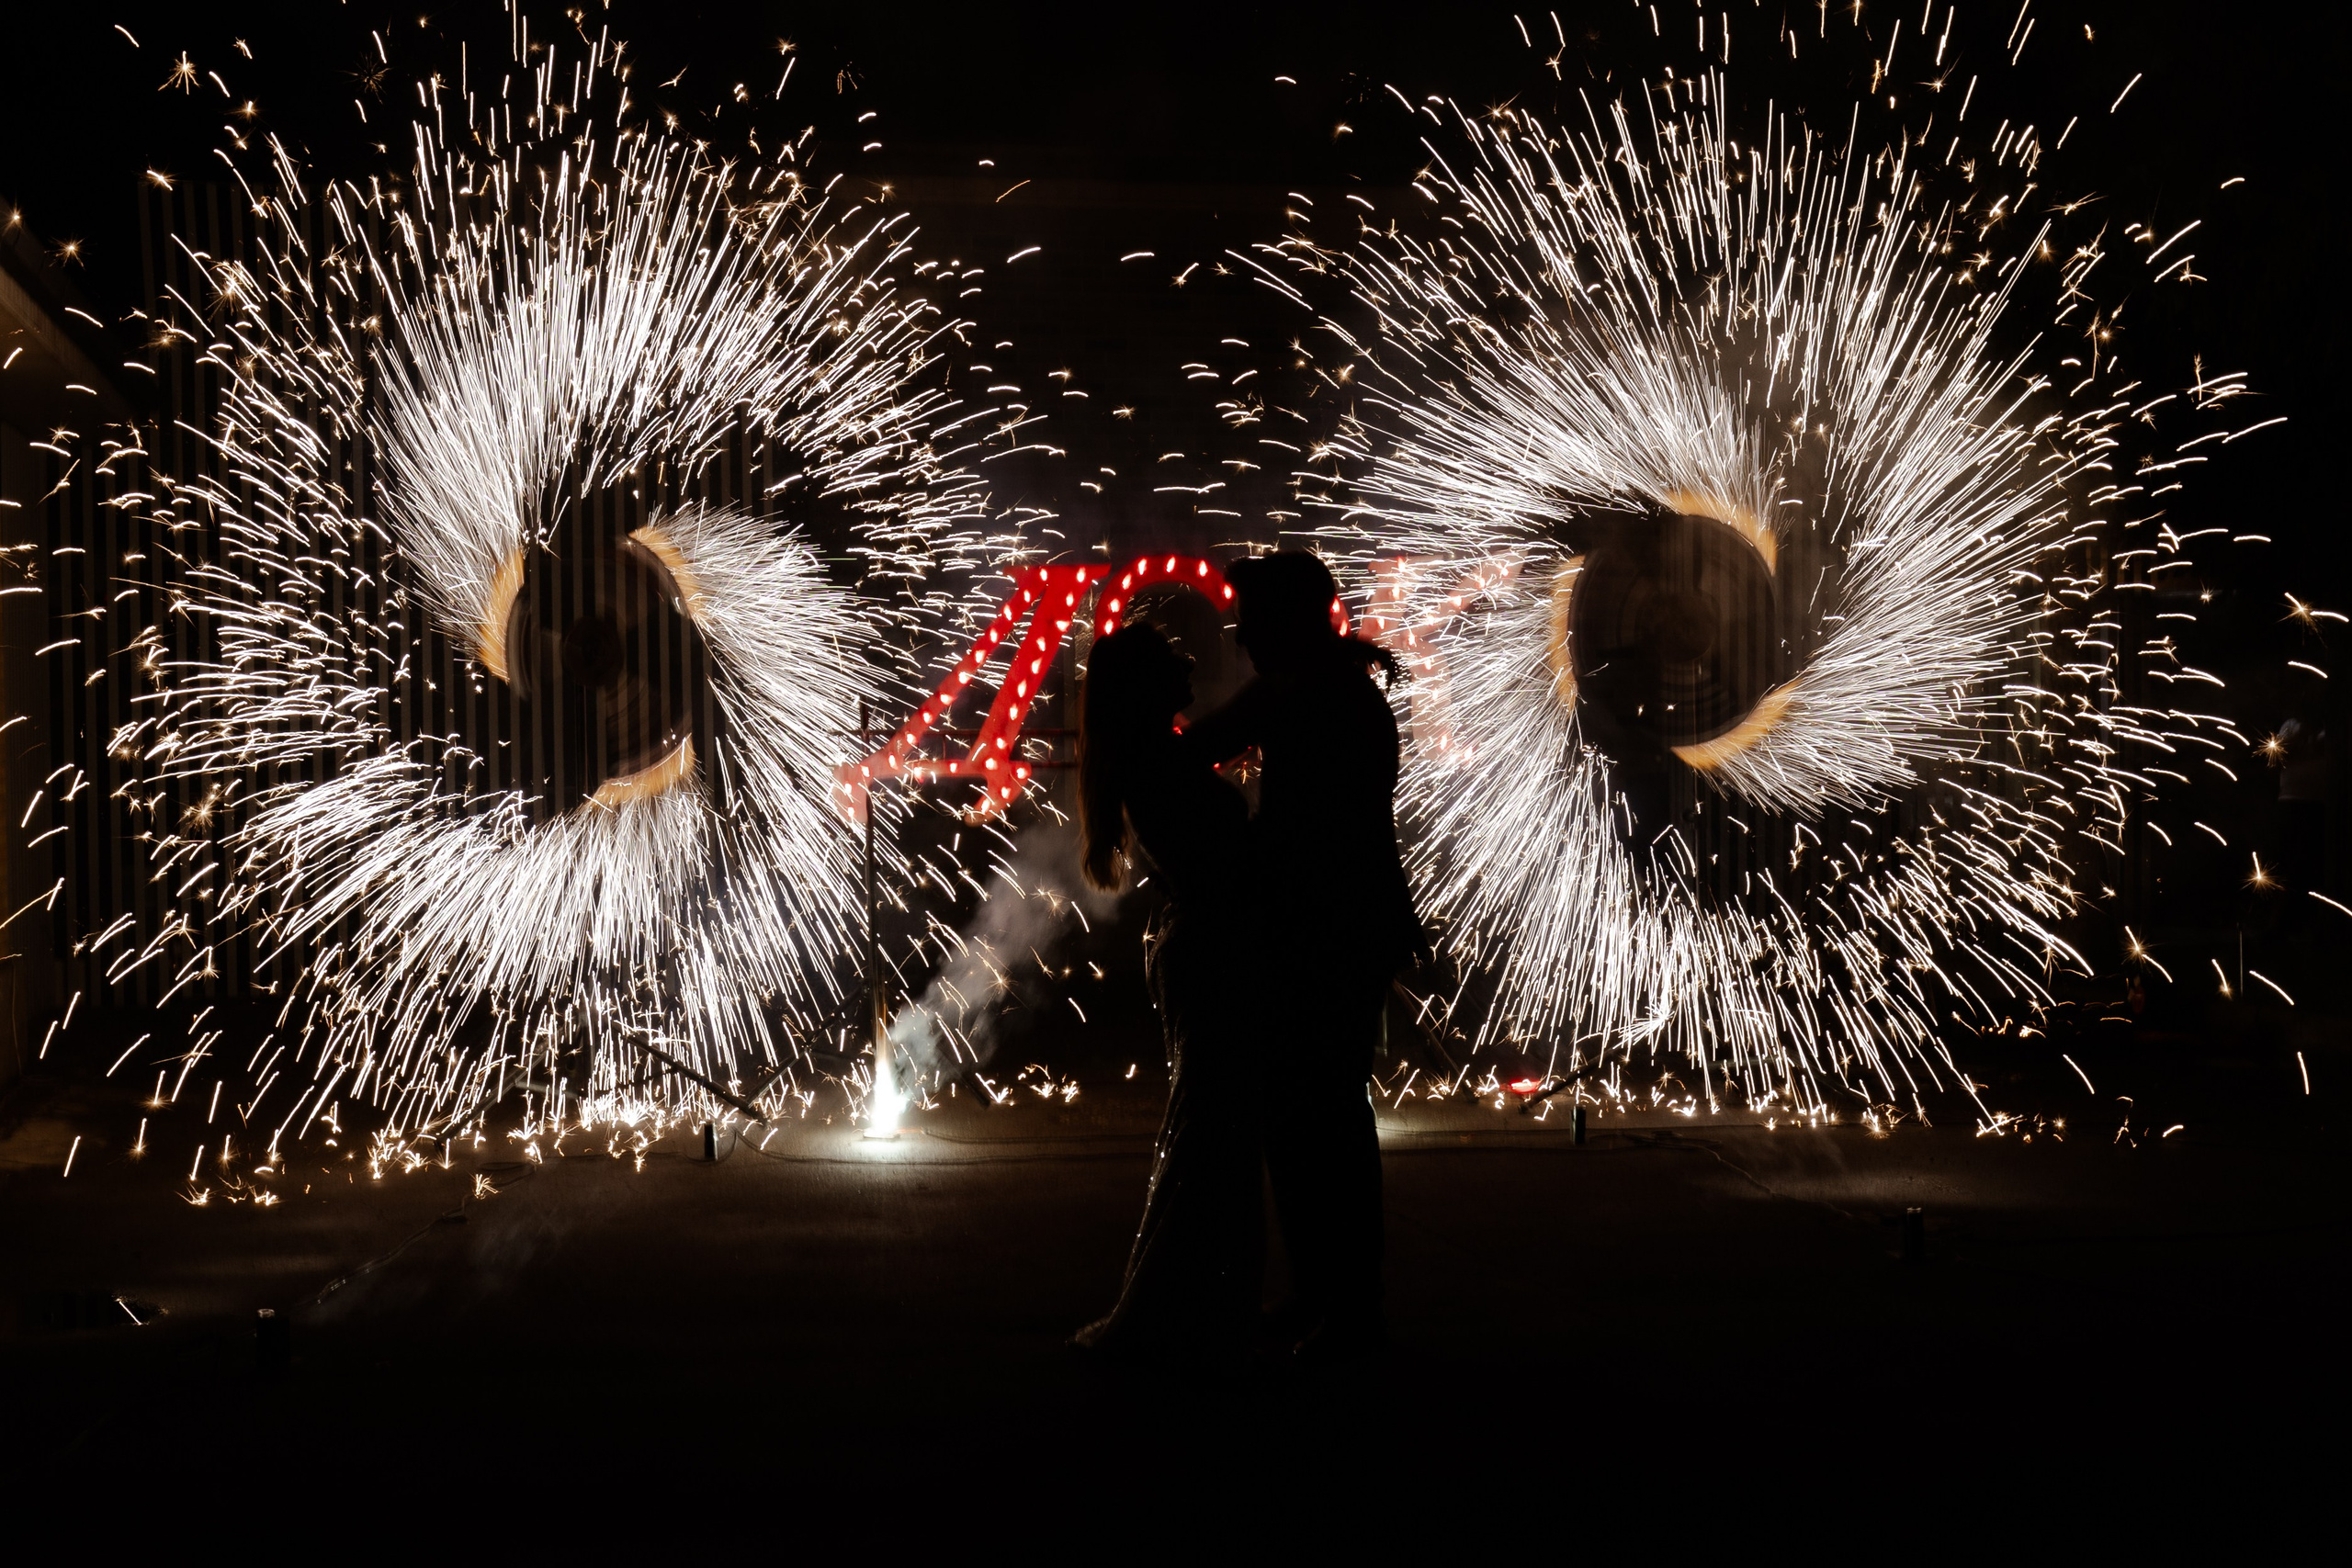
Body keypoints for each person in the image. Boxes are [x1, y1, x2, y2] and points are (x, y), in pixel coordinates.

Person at [1182, 550, 1422, 1361]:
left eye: (1251, 617)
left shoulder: (1306, 691)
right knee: (1318, 1120)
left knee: (1316, 1123)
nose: (1241, 635)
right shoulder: (1333, 684)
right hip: (1342, 927)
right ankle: (1335, 1296)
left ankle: (1349, 1311)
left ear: (1286, 618)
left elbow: (1204, 746)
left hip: (1323, 932)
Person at [1071, 623, 1263, 1359]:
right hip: (1211, 951)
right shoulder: (1163, 756)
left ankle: (1201, 1309)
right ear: (1144, 688)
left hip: (1203, 947)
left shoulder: (1153, 752)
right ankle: (1194, 1315)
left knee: (1208, 1136)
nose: (1189, 659)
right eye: (1169, 659)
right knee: (1211, 1139)